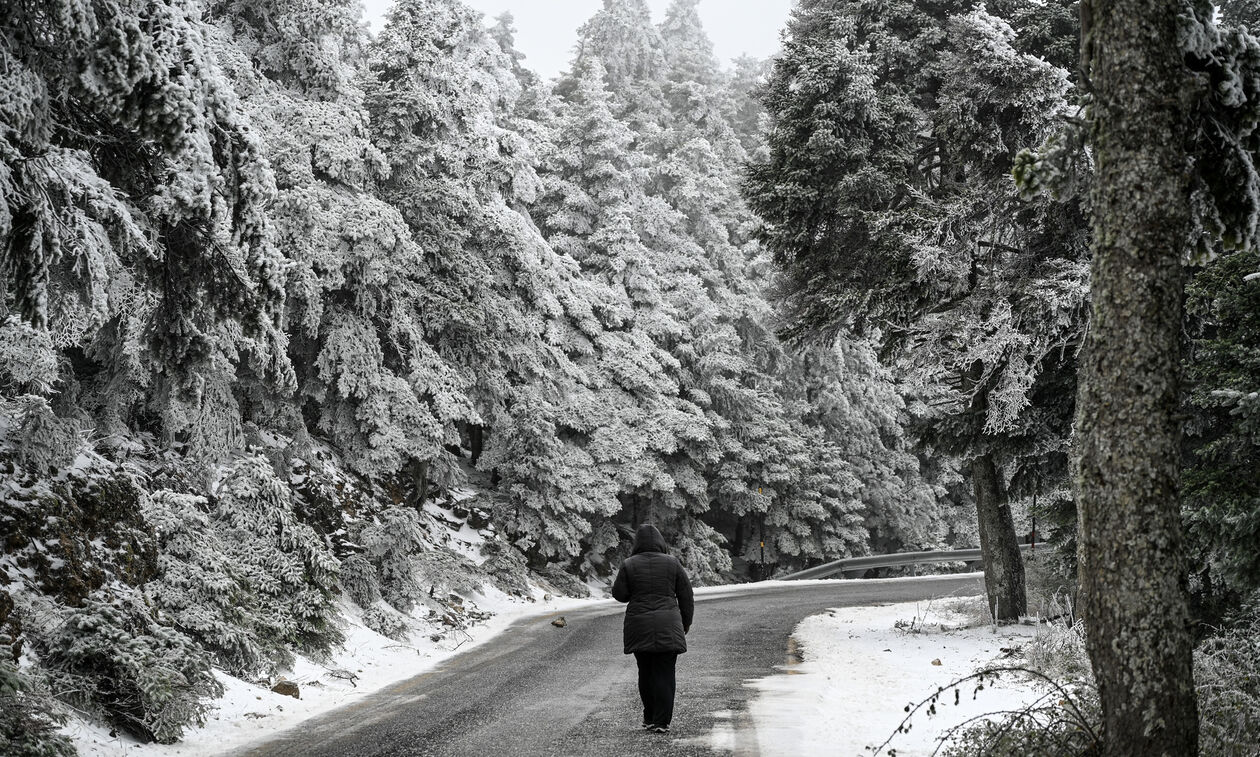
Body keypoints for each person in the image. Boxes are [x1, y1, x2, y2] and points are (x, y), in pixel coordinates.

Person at [611, 524, 695, 734]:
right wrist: (685, 623)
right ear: (660, 542)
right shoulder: (672, 563)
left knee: (646, 672)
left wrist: (636, 590)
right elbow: (686, 596)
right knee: (665, 674)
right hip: (669, 624)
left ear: (637, 543)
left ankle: (649, 717)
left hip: (639, 626)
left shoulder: (629, 564)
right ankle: (661, 721)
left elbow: (619, 594)